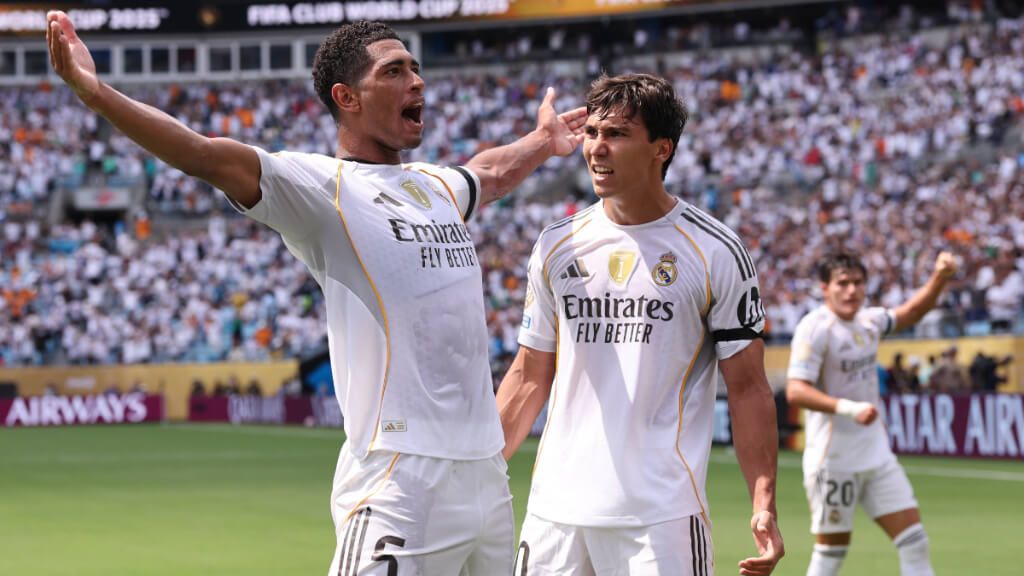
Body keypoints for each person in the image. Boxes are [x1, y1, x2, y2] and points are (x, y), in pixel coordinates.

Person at [47, 12, 587, 575]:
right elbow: (202, 153)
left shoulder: (435, 186)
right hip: (400, 478)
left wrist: (544, 141)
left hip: (485, 474)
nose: (418, 81)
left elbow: (490, 172)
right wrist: (98, 93)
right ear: (346, 97)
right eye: (395, 71)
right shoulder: (319, 188)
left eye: (417, 69)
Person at [497, 73, 784, 576]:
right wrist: (478, 468)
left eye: (617, 135)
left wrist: (763, 500)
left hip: (660, 519)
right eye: (592, 133)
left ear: (661, 148)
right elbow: (528, 375)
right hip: (554, 514)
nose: (597, 149)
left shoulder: (716, 250)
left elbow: (748, 389)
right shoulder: (555, 244)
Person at [786, 251, 957, 576]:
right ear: (825, 288)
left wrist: (940, 277)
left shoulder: (870, 320)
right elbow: (796, 390)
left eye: (858, 283)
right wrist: (849, 408)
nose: (851, 290)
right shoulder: (815, 328)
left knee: (914, 541)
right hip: (833, 460)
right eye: (843, 283)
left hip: (876, 455)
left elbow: (913, 311)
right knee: (831, 554)